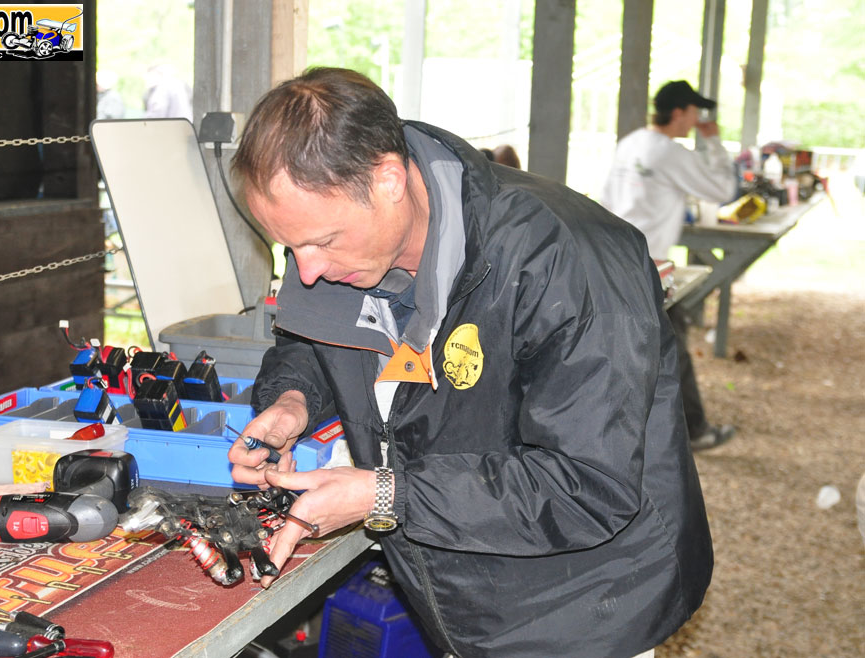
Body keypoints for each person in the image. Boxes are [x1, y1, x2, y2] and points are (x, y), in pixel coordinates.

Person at [228, 68, 712, 657]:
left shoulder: (570, 262)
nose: (305, 271)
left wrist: (386, 495)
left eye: (321, 243)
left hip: (586, 606)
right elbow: (309, 340)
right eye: (289, 246)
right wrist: (292, 401)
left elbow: (589, 485)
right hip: (457, 592)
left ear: (387, 180)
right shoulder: (338, 242)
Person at [600, 80, 737, 451]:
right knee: (671, 347)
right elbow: (722, 190)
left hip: (613, 256)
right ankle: (695, 431)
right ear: (679, 113)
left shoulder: (631, 143)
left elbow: (605, 200)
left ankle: (625, 429)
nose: (697, 120)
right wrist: (713, 143)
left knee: (632, 347)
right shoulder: (669, 153)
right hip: (650, 266)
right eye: (694, 112)